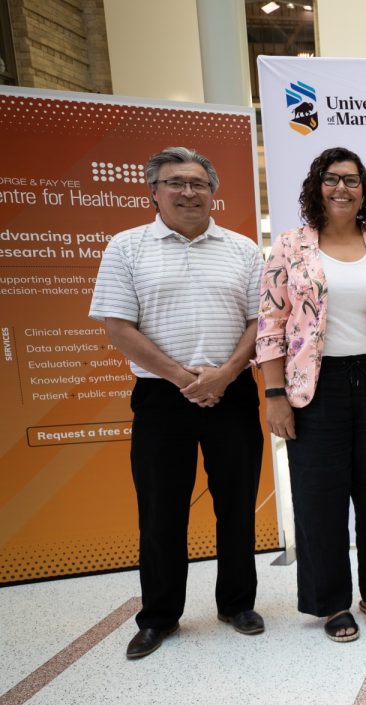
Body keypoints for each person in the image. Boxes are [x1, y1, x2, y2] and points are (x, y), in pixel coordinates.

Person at [90, 146, 265, 659]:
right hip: (161, 399)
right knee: (161, 510)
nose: (188, 192)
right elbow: (117, 325)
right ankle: (160, 616)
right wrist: (182, 378)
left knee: (237, 506)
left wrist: (227, 373)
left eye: (198, 183)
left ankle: (237, 604)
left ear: (213, 192)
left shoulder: (243, 249)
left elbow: (262, 323)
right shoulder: (126, 248)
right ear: (155, 191)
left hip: (231, 394)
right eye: (175, 182)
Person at [256, 147, 366, 643]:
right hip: (314, 389)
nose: (341, 188)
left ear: (364, 191)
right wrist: (274, 394)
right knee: (319, 501)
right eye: (332, 179)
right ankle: (330, 602)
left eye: (352, 180)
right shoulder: (290, 247)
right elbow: (270, 325)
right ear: (316, 186)